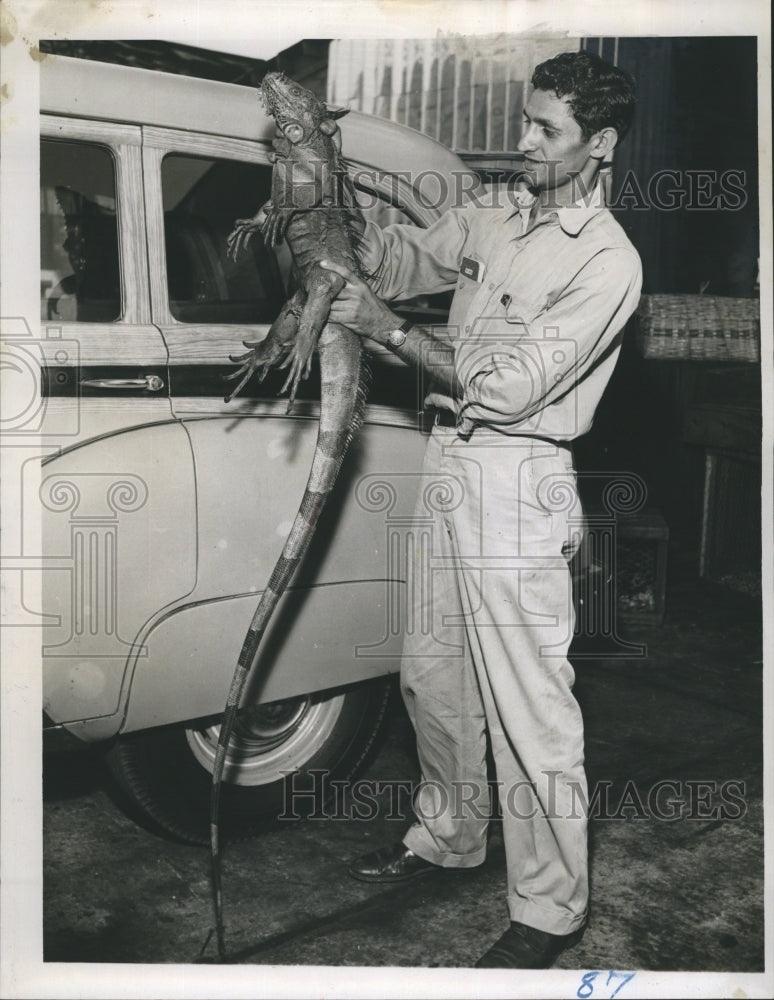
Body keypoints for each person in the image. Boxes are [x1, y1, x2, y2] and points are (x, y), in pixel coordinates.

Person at [320, 50, 642, 969]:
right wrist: (322, 212)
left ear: (600, 144)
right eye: (525, 119)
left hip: (519, 478)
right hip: (448, 458)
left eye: (546, 130)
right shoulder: (498, 213)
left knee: (528, 707)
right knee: (432, 674)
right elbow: (395, 255)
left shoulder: (609, 264)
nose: (522, 141)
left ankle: (549, 909)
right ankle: (450, 836)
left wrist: (383, 328)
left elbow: (504, 386)